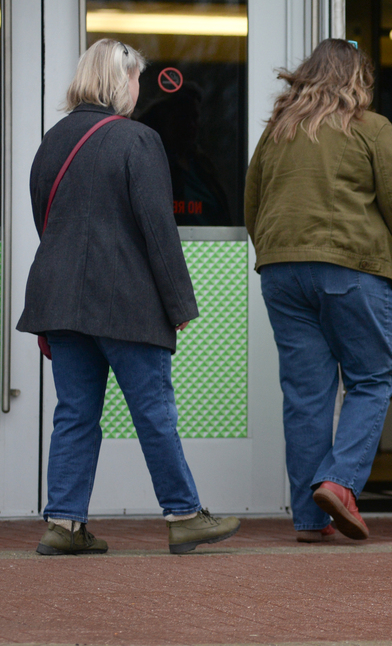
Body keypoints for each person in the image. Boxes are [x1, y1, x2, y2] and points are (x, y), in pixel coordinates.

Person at [18, 38, 240, 555]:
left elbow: (44, 220)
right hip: (125, 302)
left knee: (74, 412)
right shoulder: (137, 140)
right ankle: (184, 515)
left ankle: (64, 525)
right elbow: (157, 230)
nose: (139, 92)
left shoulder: (52, 140)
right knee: (154, 411)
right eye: (136, 79)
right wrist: (180, 305)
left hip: (60, 302)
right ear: (121, 81)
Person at [246, 39, 392, 543]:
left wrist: (276, 251)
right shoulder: (372, 129)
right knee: (373, 379)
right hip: (352, 269)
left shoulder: (278, 132)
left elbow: (253, 202)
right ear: (359, 79)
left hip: (282, 272)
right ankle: (340, 481)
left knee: (306, 394)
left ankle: (310, 521)